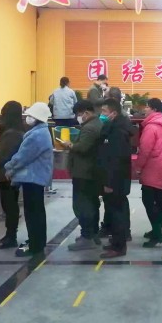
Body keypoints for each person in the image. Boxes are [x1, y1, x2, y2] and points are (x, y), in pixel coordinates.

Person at [4, 102, 53, 258]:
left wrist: (9, 167)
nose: (27, 118)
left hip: (33, 178)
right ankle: (37, 241)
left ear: (37, 117)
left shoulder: (37, 135)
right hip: (35, 178)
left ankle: (35, 245)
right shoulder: (41, 132)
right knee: (36, 212)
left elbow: (23, 156)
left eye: (30, 115)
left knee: (33, 214)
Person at [64, 100, 103, 251]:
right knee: (92, 203)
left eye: (78, 114)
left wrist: (70, 145)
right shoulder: (97, 123)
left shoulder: (89, 128)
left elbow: (83, 147)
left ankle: (87, 237)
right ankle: (93, 234)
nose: (78, 117)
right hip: (91, 172)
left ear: (86, 112)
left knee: (82, 205)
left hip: (84, 172)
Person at [97, 98, 134, 258]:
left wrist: (109, 182)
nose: (102, 114)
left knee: (117, 212)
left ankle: (119, 247)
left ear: (113, 113)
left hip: (115, 180)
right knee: (114, 211)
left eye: (104, 111)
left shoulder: (118, 132)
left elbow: (116, 160)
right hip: (114, 178)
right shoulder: (112, 128)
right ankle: (116, 242)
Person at [0, 101, 25, 250]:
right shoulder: (16, 131)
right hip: (9, 174)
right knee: (10, 205)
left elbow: (2, 155)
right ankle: (10, 235)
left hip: (7, 175)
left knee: (9, 205)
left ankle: (10, 236)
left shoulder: (11, 134)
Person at [136, 98, 162, 248]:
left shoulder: (151, 127)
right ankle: (156, 230)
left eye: (147, 107)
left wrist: (139, 167)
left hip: (152, 166)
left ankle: (157, 234)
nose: (144, 109)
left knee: (148, 200)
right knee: (159, 198)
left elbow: (145, 149)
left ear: (153, 109)